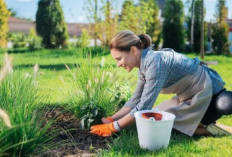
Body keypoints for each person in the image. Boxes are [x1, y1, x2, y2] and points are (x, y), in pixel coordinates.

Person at [90, 30, 232, 137]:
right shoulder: (144, 67)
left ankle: (211, 128)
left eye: (119, 59)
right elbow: (135, 101)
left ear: (133, 50)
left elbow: (144, 106)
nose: (118, 64)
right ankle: (203, 123)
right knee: (157, 119)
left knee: (167, 126)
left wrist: (115, 127)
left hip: (210, 94)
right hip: (190, 94)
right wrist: (112, 118)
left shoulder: (154, 63)